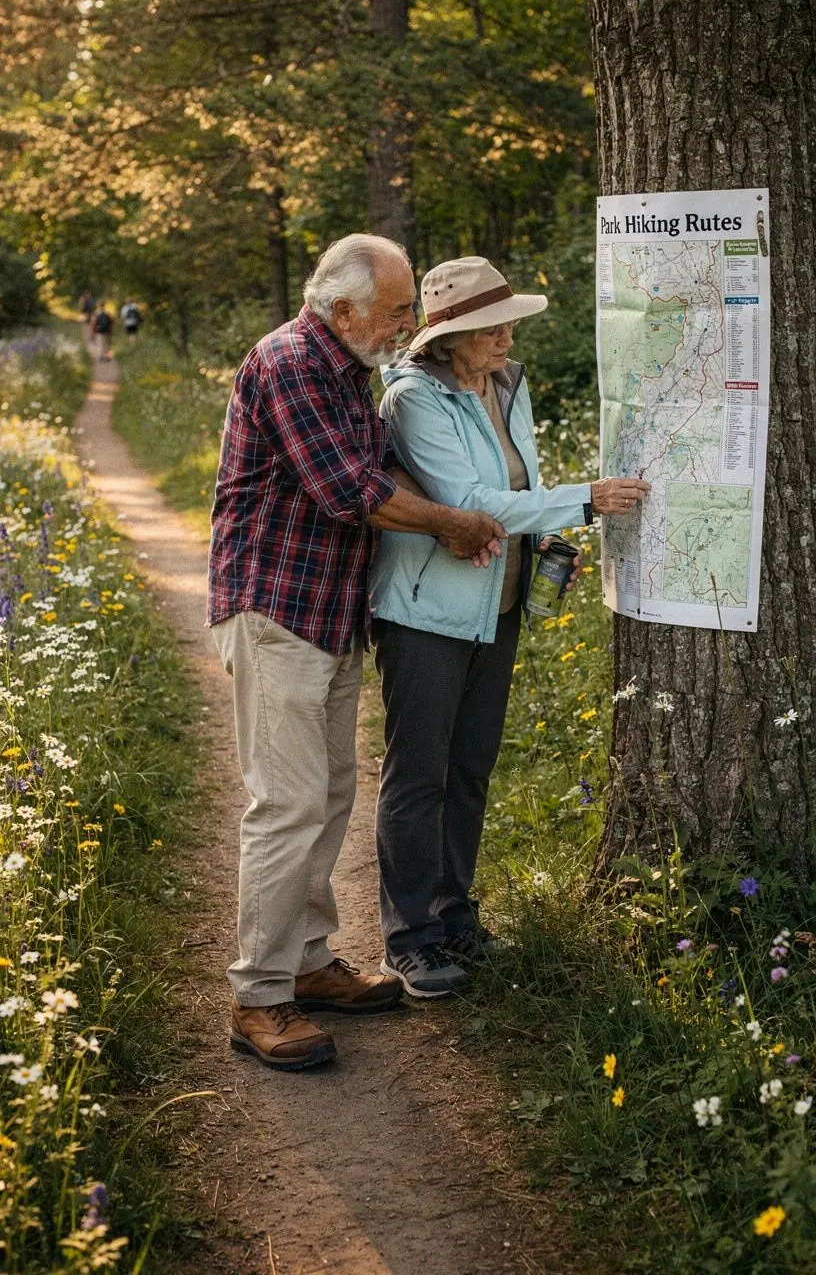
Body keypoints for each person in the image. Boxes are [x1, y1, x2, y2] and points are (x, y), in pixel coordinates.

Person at [207, 234, 507, 1073]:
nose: (408, 323)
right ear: (341, 308)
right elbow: (351, 491)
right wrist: (453, 523)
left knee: (330, 796)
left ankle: (306, 961)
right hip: (276, 609)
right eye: (397, 310)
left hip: (329, 615)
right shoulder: (291, 362)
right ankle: (259, 997)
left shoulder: (352, 370)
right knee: (287, 805)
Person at [369, 256, 650, 998]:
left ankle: (453, 915)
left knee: (469, 770)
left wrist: (547, 534)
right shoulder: (413, 398)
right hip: (428, 612)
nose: (507, 335)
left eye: (508, 320)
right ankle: (411, 939)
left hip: (498, 602)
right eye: (490, 326)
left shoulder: (507, 384)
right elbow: (468, 499)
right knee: (418, 775)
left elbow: (516, 485)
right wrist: (582, 500)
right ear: (450, 336)